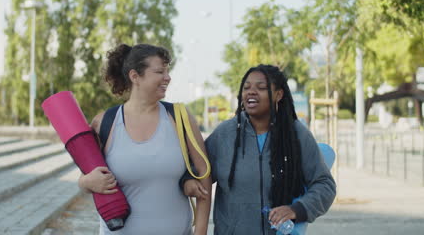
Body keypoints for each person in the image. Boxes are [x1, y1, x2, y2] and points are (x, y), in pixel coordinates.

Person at [183, 64, 336, 234]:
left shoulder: (296, 135)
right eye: (246, 87)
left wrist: (297, 209)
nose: (251, 91)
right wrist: (188, 181)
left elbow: (325, 185)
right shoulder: (225, 134)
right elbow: (195, 170)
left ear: (279, 94)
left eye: (261, 87)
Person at [78, 43, 212, 235]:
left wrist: (200, 232)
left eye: (167, 71)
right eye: (159, 71)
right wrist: (85, 183)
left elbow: (204, 174)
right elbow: (86, 177)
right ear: (135, 77)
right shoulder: (104, 123)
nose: (168, 77)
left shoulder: (180, 117)